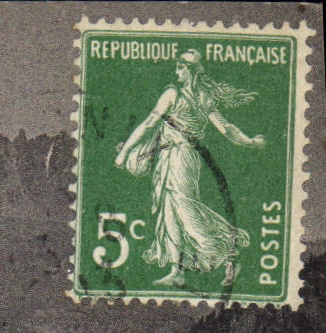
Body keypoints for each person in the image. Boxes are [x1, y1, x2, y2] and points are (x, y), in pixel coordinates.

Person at [114, 50, 266, 289]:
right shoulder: (204, 97)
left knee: (184, 209)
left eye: (180, 68)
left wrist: (124, 154)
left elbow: (149, 124)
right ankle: (176, 271)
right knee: (169, 212)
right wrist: (250, 142)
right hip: (173, 156)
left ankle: (228, 250)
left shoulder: (173, 94)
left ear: (190, 71)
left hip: (180, 156)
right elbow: (227, 129)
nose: (176, 72)